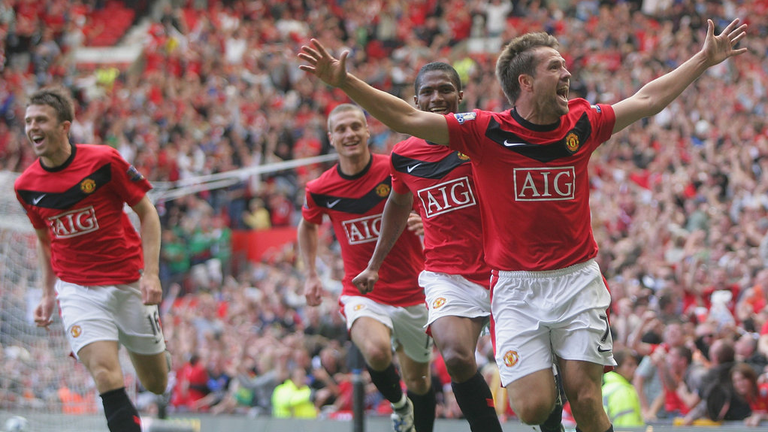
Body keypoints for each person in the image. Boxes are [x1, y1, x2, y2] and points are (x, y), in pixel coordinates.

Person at [297, 17, 747, 432]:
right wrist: (345, 82)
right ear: (527, 82)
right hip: (513, 286)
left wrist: (704, 58)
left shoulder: (583, 124)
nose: (567, 74)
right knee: (531, 408)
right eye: (556, 67)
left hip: (575, 282)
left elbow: (647, 99)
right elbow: (408, 119)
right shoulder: (485, 133)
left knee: (586, 397)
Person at [352, 61, 562, 432]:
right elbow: (398, 204)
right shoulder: (404, 156)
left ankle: (552, 421)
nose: (437, 98)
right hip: (448, 273)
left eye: (445, 89)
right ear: (415, 101)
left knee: (533, 393)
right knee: (455, 354)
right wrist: (374, 264)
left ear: (460, 95)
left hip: (506, 269)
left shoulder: (485, 134)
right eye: (428, 92)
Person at [13, 87, 169, 432]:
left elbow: (147, 212)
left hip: (128, 281)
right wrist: (45, 293)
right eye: (27, 121)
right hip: (78, 291)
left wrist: (152, 275)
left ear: (64, 127)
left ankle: (155, 352)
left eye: (41, 120)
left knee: (157, 382)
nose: (32, 127)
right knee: (105, 373)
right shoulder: (26, 185)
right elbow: (44, 239)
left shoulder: (103, 161)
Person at [297, 103, 435, 432]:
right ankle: (400, 407)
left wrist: (423, 221)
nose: (350, 134)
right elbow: (308, 225)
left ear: (367, 130)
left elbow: (429, 200)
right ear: (331, 138)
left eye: (355, 127)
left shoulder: (396, 168)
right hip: (363, 291)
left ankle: (417, 419)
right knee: (375, 350)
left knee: (419, 379)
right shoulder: (320, 189)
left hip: (413, 291)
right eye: (341, 129)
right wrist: (311, 274)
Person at [601, 348, 643, 426]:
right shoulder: (623, 391)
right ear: (617, 367)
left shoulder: (606, 388)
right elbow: (628, 426)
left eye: (635, 364)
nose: (635, 368)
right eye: (630, 365)